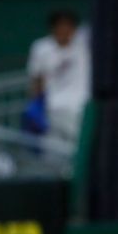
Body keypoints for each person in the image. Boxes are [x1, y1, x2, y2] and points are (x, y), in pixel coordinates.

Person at [26, 9, 90, 143]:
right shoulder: (41, 48)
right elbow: (36, 80)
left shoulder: (82, 43)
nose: (64, 30)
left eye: (68, 26)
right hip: (54, 108)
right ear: (53, 28)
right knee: (57, 152)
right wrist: (36, 105)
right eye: (60, 25)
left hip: (81, 107)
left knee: (81, 145)